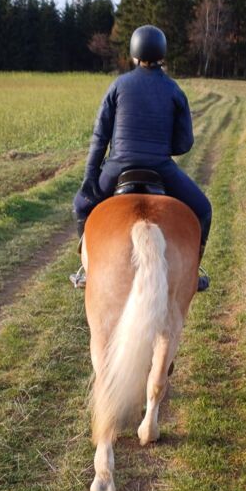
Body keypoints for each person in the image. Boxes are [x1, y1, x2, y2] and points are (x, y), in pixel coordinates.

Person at [70, 24, 212, 291]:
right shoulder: (174, 89)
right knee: (204, 210)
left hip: (118, 165)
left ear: (134, 54)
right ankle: (193, 272)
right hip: (160, 167)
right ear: (162, 54)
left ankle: (88, 271)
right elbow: (185, 143)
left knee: (80, 206)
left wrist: (90, 176)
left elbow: (100, 137)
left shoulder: (118, 85)